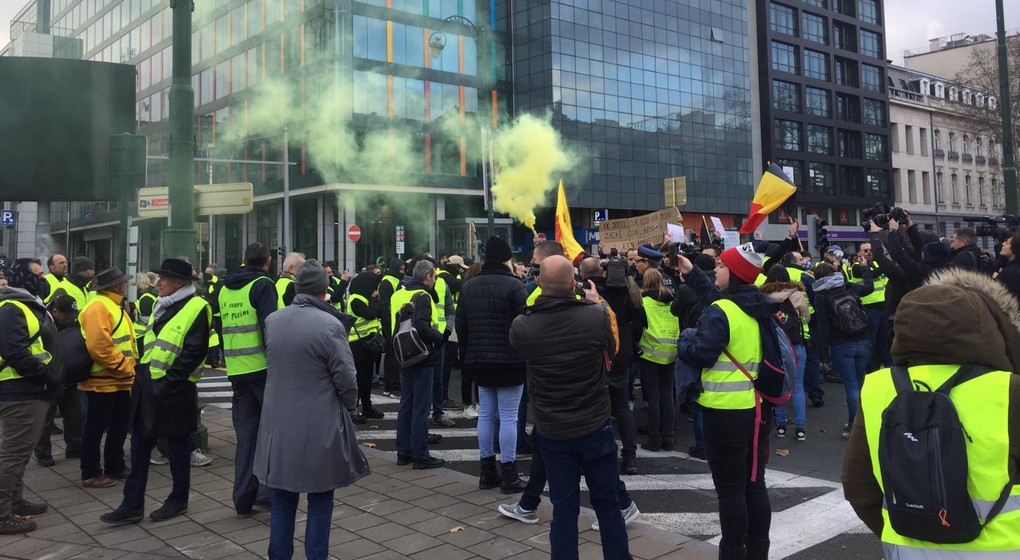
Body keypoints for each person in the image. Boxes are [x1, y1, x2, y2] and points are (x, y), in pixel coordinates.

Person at [843, 268, 1020, 558]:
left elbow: (858, 486)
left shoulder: (877, 387)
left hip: (908, 550)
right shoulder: (1009, 390)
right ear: (984, 328)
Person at [510, 255, 632, 560]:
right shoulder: (594, 316)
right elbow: (612, 350)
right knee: (607, 506)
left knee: (564, 509)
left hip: (552, 430)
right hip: (594, 423)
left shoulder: (523, 326)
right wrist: (598, 303)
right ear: (572, 283)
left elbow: (520, 349)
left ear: (538, 283)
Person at [256, 261, 370, 560]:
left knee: (282, 497)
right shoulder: (329, 325)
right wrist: (349, 406)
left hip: (278, 424)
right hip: (318, 423)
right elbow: (346, 378)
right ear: (324, 289)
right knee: (320, 497)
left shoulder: (274, 320)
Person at [676, 243, 777, 560]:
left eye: (720, 266)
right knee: (754, 484)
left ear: (733, 273)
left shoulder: (722, 311)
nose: (715, 269)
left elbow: (702, 353)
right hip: (757, 409)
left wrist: (685, 342)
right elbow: (717, 298)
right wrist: (693, 274)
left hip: (723, 411)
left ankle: (732, 553)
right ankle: (758, 552)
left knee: (730, 490)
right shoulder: (756, 305)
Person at [100, 259, 210, 525]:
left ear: (180, 282)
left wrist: (170, 382)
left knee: (178, 448)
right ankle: (132, 503)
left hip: (174, 388)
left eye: (164, 279)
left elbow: (194, 351)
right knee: (139, 446)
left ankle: (178, 500)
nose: (157, 282)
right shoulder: (163, 304)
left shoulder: (197, 306)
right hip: (147, 384)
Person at [457, 236, 529, 492]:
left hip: (478, 359)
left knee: (486, 414)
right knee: (508, 416)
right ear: (507, 258)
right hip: (509, 359)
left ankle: (487, 471)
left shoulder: (469, 287)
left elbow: (461, 326)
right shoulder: (515, 286)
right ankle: (509, 473)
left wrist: (466, 356)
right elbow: (524, 324)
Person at [215, 242, 278, 517]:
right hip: (262, 370)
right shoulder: (264, 285)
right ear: (267, 261)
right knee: (270, 434)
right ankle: (266, 493)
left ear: (243, 260)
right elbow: (270, 328)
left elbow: (220, 325)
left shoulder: (224, 288)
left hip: (236, 370)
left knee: (246, 438)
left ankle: (242, 498)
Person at [0, 258, 62, 534]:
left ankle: (15, 501)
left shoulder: (22, 303)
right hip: (21, 391)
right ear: (22, 279)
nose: (43, 279)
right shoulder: (13, 307)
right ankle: (2, 514)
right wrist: (46, 376)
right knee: (13, 454)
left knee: (19, 453)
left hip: (26, 389)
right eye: (37, 275)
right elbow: (15, 351)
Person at [580, 256, 640, 474]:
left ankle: (602, 454)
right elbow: (638, 318)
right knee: (622, 405)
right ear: (602, 271)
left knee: (598, 407)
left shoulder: (585, 291)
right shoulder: (623, 290)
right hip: (621, 351)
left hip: (597, 353)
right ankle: (630, 456)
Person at [78, 266, 136, 488]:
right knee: (95, 427)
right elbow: (98, 346)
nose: (126, 285)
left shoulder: (111, 305)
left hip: (117, 379)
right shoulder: (99, 307)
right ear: (115, 286)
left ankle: (115, 466)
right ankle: (91, 472)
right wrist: (123, 366)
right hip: (102, 380)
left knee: (119, 425)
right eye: (123, 282)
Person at [393, 260, 446, 469]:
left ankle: (403, 452)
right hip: (422, 355)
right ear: (428, 276)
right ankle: (421, 455)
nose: (434, 281)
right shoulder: (423, 296)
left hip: (402, 354)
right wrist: (439, 337)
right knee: (421, 408)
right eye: (434, 277)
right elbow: (423, 327)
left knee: (406, 405)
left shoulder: (399, 293)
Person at [812, 262, 873, 440]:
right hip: (863, 339)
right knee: (861, 383)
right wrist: (866, 270)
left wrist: (824, 356)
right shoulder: (847, 286)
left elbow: (824, 328)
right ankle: (864, 420)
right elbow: (868, 288)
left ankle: (854, 425)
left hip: (841, 344)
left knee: (851, 386)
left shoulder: (821, 296)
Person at [760, 265, 810, 441]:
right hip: (796, 345)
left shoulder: (763, 296)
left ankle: (780, 425)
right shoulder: (796, 293)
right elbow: (808, 316)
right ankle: (800, 428)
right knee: (797, 386)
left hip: (776, 345)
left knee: (777, 384)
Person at [34, 295, 84, 467]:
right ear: (55, 311)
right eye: (67, 315)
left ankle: (75, 447)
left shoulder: (65, 322)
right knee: (46, 419)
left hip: (68, 375)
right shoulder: (42, 322)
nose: (71, 319)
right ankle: (43, 455)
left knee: (74, 414)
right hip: (49, 377)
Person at [636, 268, 679, 452]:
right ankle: (668, 438)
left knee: (653, 398)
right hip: (670, 353)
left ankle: (654, 439)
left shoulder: (643, 302)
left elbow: (637, 328)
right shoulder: (671, 302)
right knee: (667, 396)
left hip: (650, 353)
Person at [346, 271, 385, 422]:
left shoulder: (364, 298)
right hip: (358, 345)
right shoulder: (356, 299)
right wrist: (375, 300)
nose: (375, 291)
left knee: (366, 380)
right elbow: (371, 314)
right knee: (357, 380)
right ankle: (353, 411)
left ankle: (367, 408)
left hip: (368, 345)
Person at [379, 257, 405, 398]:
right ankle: (393, 387)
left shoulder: (392, 281)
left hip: (393, 323)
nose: (402, 272)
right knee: (394, 357)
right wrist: (388, 325)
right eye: (400, 269)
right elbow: (384, 306)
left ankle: (389, 386)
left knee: (391, 356)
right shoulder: (388, 283)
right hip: (391, 324)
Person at [132, 272, 158, 349]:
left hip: (143, 335)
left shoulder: (145, 298)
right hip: (145, 334)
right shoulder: (152, 293)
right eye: (145, 283)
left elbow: (146, 320)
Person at [997, 233, 1020, 300]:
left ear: (1014, 248)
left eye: (1007, 243)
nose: (1003, 244)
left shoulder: (1011, 272)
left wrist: (997, 277)